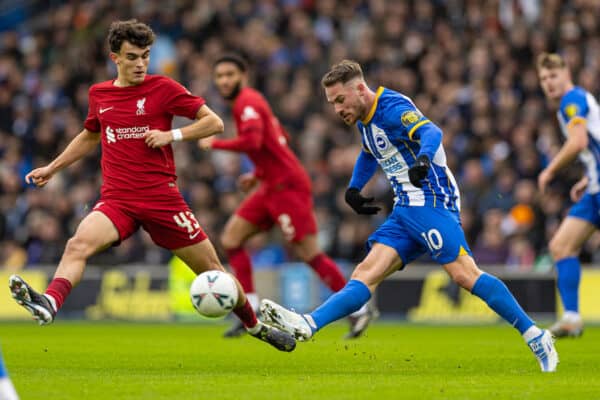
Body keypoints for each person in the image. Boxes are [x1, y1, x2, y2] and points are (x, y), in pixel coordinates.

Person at [8, 20, 295, 353]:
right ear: (115, 57)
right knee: (77, 244)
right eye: (132, 57)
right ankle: (49, 304)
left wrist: (171, 135)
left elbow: (213, 122)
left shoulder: (163, 88)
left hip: (163, 201)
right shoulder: (99, 94)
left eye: (145, 56)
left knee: (214, 270)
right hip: (117, 200)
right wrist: (53, 168)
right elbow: (90, 134)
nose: (141, 63)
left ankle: (255, 326)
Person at [260, 60, 558, 372]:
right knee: (365, 273)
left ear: (360, 90)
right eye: (332, 103)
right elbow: (368, 152)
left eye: (339, 100)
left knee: (464, 274)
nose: (337, 109)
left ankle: (535, 335)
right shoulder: (363, 119)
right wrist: (354, 188)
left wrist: (424, 160)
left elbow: (431, 131)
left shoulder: (391, 106)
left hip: (431, 201)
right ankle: (309, 324)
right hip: (405, 208)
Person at [199, 54, 373, 338]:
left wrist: (215, 143)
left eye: (230, 74)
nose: (224, 80)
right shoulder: (252, 104)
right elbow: (279, 139)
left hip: (288, 187)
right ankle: (249, 312)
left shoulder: (248, 102)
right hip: (268, 185)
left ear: (244, 76)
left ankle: (358, 310)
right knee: (231, 239)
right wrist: (257, 174)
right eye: (219, 76)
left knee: (309, 254)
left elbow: (254, 141)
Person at [536, 52, 598, 338]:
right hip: (595, 187)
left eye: (553, 76)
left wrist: (549, 170)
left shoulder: (571, 101)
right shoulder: (578, 101)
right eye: (544, 79)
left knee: (562, 245)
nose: (549, 83)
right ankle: (572, 317)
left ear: (566, 73)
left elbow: (578, 141)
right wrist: (588, 176)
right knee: (561, 246)